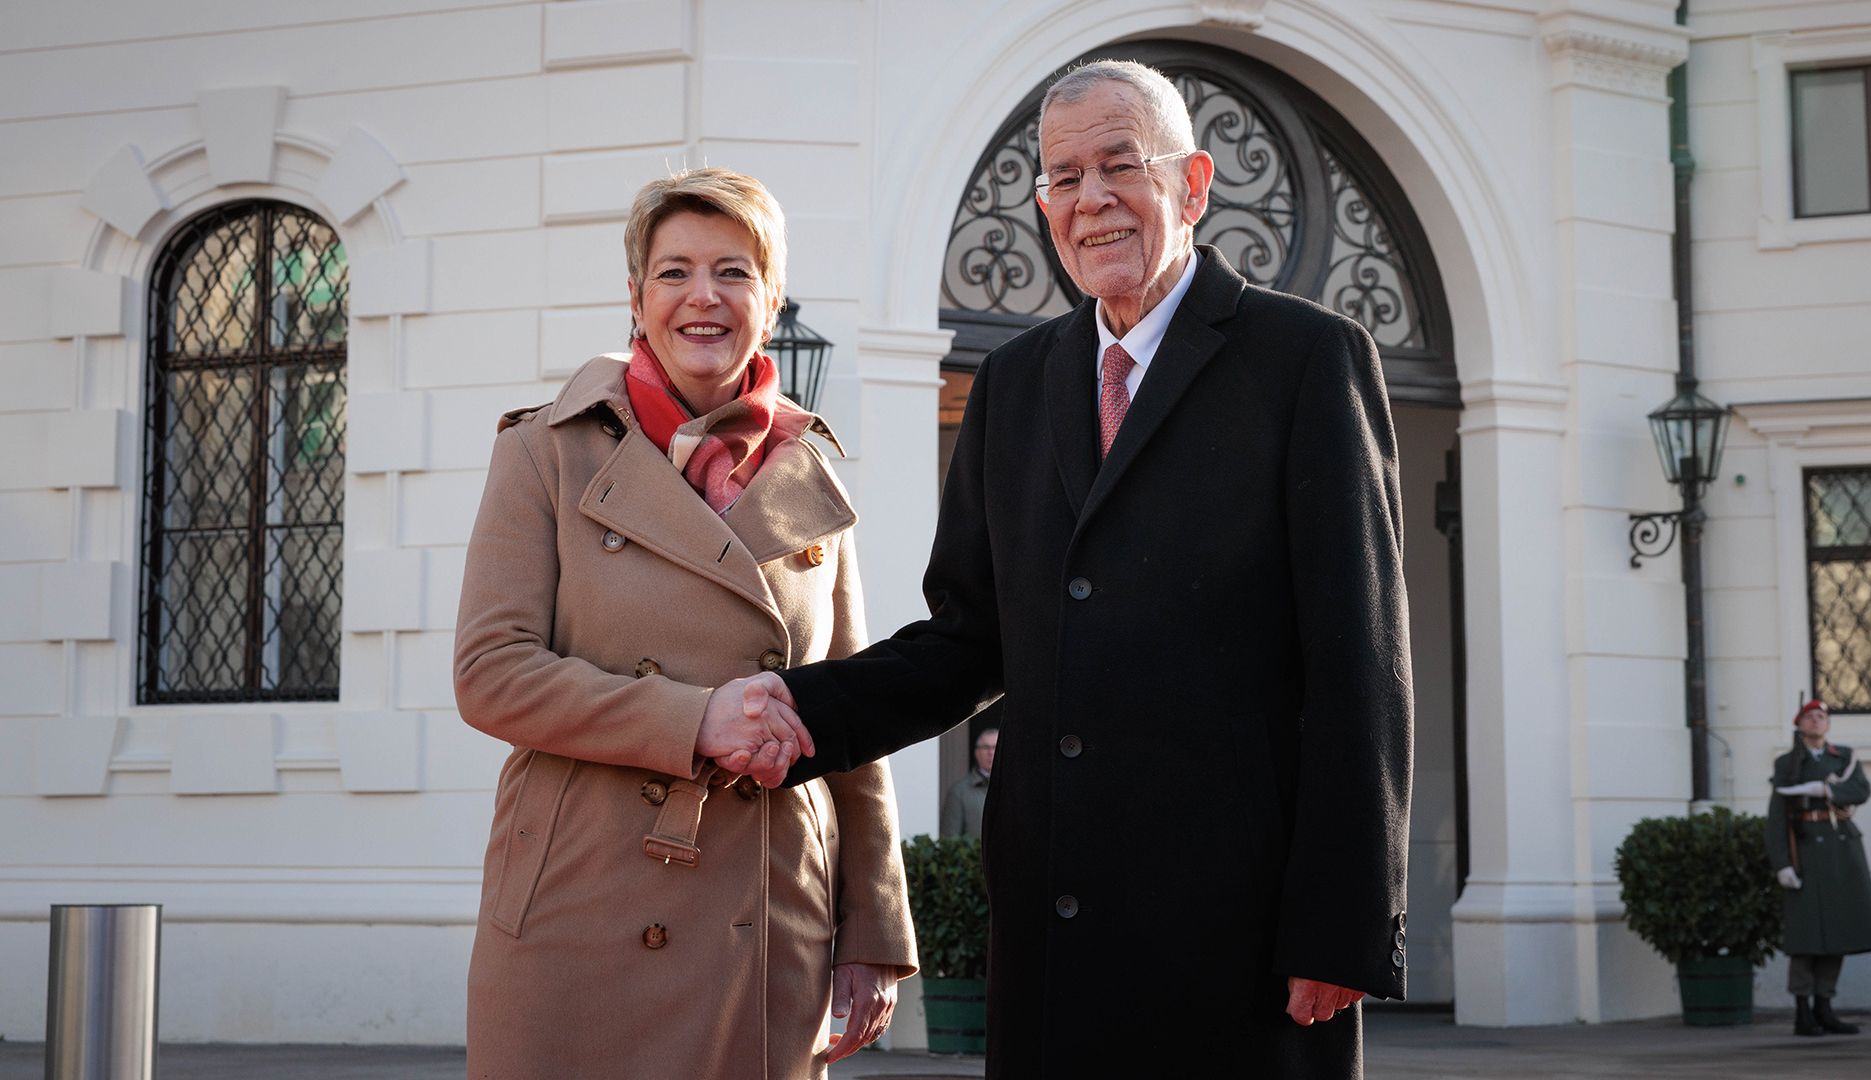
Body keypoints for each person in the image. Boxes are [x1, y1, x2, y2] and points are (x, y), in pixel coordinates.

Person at [706, 59, 1412, 1077]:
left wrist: (1343, 922)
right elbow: (967, 640)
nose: (1091, 200)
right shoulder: (1013, 382)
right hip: (1054, 927)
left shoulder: (1307, 359)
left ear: (1193, 184)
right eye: (1064, 177)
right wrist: (801, 711)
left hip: (1241, 940)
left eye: (1121, 165)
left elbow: (1362, 663)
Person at [452, 168, 916, 1079]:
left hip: (768, 906)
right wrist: (693, 720)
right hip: (580, 903)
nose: (704, 296)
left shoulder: (809, 470)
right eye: (675, 272)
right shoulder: (545, 451)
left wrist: (874, 929)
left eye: (734, 272)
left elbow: (853, 712)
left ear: (771, 302)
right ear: (636, 298)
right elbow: (490, 672)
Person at [1766, 699, 1871, 1037]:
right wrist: (1782, 863)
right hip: (1805, 851)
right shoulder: (1787, 762)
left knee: (1837, 933)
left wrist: (1824, 789)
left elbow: (1860, 790)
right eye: (1809, 717)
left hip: (1839, 850)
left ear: (1828, 723)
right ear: (1799, 724)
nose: (1816, 721)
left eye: (1821, 717)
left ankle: (1825, 1006)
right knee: (1806, 937)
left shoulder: (1844, 757)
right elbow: (1777, 816)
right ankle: (1802, 1010)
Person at [941, 726, 997, 838]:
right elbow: (950, 840)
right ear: (977, 752)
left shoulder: (1016, 790)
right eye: (986, 747)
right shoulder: (959, 792)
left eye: (996, 747)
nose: (991, 752)